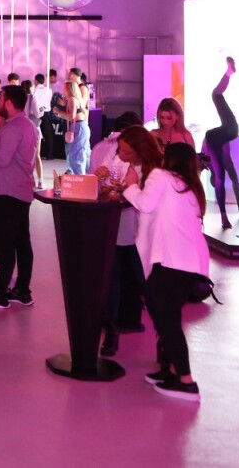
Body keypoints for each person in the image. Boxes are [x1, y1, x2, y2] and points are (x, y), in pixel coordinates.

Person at [116, 142, 211, 402]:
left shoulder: (162, 176)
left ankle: (186, 381)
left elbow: (145, 204)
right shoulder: (189, 185)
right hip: (188, 262)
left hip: (172, 261)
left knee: (167, 322)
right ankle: (171, 370)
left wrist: (131, 185)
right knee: (164, 317)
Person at [92, 120, 159, 357]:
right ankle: (111, 330)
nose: (120, 154)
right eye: (120, 149)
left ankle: (164, 340)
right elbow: (105, 188)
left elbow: (146, 202)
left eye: (127, 152)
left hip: (145, 236)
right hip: (119, 229)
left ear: (141, 151)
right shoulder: (115, 156)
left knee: (147, 285)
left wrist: (126, 190)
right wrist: (101, 181)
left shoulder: (155, 171)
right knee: (112, 280)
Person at [0, 85, 39, 310]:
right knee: (21, 242)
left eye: (1, 98)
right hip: (20, 190)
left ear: (9, 103)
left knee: (7, 245)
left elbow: (2, 159)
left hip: (9, 192)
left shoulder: (13, 128)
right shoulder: (27, 125)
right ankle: (22, 290)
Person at [203, 58, 239, 229]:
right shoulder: (223, 163)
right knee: (215, 95)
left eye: (213, 178)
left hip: (229, 129)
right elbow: (235, 182)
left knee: (216, 95)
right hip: (230, 129)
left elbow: (232, 182)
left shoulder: (208, 160)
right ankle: (223, 217)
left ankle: (229, 72)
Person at [63, 68, 91, 174]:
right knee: (76, 151)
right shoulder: (77, 88)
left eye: (71, 74)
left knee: (81, 152)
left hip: (80, 123)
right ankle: (74, 172)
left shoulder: (82, 88)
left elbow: (81, 105)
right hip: (77, 123)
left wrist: (70, 101)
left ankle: (81, 175)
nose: (69, 76)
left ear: (75, 75)